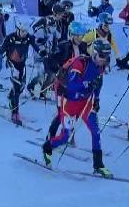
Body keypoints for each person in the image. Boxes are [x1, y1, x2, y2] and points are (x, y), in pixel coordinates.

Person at [40, 38, 113, 177]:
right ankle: (47, 147)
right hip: (70, 102)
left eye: (107, 56)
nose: (104, 60)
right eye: (102, 56)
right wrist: (87, 84)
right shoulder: (80, 63)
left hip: (86, 103)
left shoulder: (101, 66)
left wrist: (96, 98)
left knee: (96, 132)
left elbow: (98, 84)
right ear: (94, 53)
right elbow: (72, 85)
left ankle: (98, 165)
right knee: (65, 137)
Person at [0, 18, 32, 124]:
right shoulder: (10, 38)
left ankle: (11, 96)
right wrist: (0, 52)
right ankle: (15, 112)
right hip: (12, 64)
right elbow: (2, 48)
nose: (24, 33)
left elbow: (36, 46)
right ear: (18, 29)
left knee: (22, 86)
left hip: (22, 65)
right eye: (22, 31)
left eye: (26, 31)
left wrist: (41, 51)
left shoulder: (28, 38)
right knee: (17, 89)